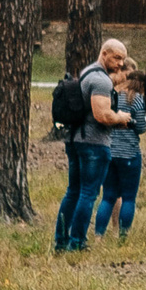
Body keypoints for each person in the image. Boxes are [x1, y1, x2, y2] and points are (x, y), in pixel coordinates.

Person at [56, 37, 126, 253]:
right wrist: (121, 117)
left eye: (123, 59)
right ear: (104, 53)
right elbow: (102, 115)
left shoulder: (87, 72)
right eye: (117, 58)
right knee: (88, 194)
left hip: (76, 139)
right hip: (94, 144)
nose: (120, 64)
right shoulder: (101, 80)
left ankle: (61, 241)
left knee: (73, 192)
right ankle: (76, 242)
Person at [94, 60, 146, 242]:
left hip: (110, 150)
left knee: (108, 196)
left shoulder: (112, 96)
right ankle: (123, 236)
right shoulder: (137, 100)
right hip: (129, 153)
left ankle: (99, 235)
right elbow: (140, 128)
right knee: (129, 197)